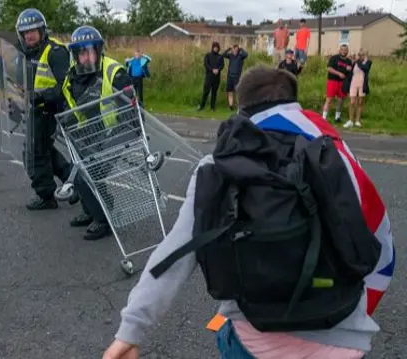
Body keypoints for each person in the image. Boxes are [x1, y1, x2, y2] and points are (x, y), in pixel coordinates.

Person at [103, 66, 393, 359]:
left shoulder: (216, 165)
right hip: (342, 344)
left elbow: (174, 253)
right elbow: (381, 245)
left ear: (241, 108)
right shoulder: (335, 154)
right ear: (294, 101)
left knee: (229, 329)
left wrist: (130, 330)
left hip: (257, 342)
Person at [61, 25, 134, 241]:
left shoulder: (114, 72)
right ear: (76, 55)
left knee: (87, 176)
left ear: (99, 50)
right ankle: (91, 210)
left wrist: (118, 136)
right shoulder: (71, 77)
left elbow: (131, 109)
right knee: (81, 171)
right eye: (81, 52)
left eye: (90, 50)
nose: (86, 56)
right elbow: (71, 107)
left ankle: (103, 220)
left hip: (113, 134)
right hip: (86, 135)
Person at [14, 8, 72, 210]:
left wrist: (41, 96)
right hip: (35, 109)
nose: (29, 35)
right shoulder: (25, 53)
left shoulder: (55, 52)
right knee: (44, 149)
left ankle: (46, 195)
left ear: (42, 31)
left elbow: (66, 85)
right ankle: (74, 184)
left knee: (34, 152)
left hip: (52, 109)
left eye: (33, 30)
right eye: (25, 32)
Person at [323, 44, 353, 122]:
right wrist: (339, 73)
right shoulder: (334, 58)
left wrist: (350, 70)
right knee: (329, 100)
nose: (344, 51)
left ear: (347, 51)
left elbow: (350, 73)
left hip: (342, 83)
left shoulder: (349, 61)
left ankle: (337, 118)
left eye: (345, 50)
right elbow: (329, 68)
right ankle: (323, 118)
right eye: (342, 50)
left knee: (341, 100)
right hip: (332, 81)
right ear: (339, 50)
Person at [343, 50, 372, 129]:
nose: (361, 56)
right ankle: (350, 121)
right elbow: (348, 71)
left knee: (360, 102)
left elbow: (365, 68)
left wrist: (357, 61)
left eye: (362, 55)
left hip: (362, 84)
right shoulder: (355, 62)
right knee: (352, 102)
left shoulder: (368, 62)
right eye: (359, 55)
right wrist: (350, 65)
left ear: (365, 55)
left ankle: (357, 121)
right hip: (353, 83)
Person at [197, 41, 224, 112]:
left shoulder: (220, 56)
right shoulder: (208, 55)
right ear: (212, 48)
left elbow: (222, 65)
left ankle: (213, 107)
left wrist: (218, 69)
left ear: (218, 49)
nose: (216, 49)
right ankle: (201, 106)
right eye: (214, 47)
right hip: (209, 77)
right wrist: (212, 70)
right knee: (206, 92)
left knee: (214, 93)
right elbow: (206, 64)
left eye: (217, 48)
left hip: (217, 78)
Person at [222, 44, 248, 110]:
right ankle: (231, 106)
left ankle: (239, 106)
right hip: (230, 76)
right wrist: (229, 49)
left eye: (236, 49)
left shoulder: (241, 56)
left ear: (238, 50)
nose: (235, 51)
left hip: (237, 77)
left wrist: (241, 49)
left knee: (237, 92)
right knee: (230, 91)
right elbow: (223, 54)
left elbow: (246, 54)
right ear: (233, 49)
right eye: (234, 49)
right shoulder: (230, 56)